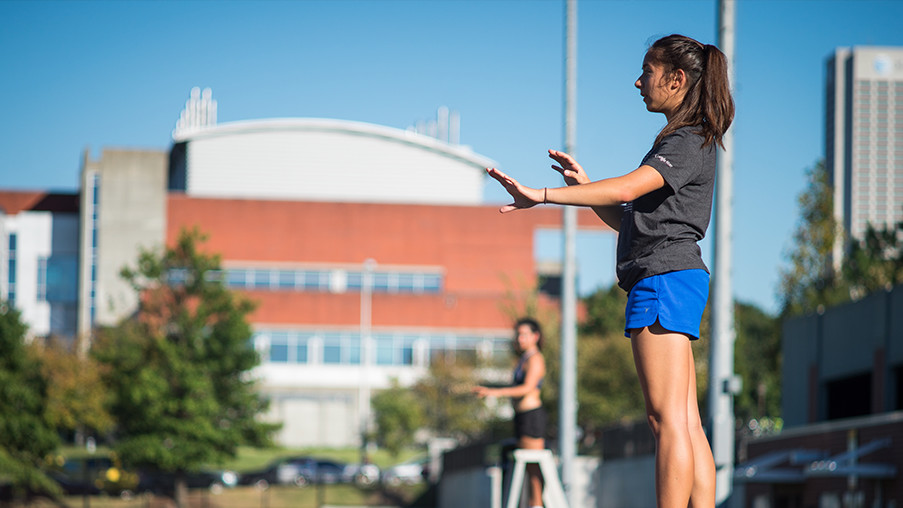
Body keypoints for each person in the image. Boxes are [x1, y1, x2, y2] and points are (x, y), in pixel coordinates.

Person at [486, 34, 734, 508]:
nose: (638, 81)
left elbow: (626, 189)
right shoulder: (688, 138)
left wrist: (541, 195)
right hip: (675, 275)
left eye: (648, 71)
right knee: (684, 421)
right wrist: (585, 187)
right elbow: (631, 220)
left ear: (677, 79)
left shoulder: (684, 140)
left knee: (666, 421)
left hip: (662, 279)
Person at [473, 317, 547, 508]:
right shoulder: (522, 359)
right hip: (521, 417)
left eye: (524, 334)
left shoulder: (536, 359)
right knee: (523, 466)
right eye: (518, 334)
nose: (520, 338)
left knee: (533, 468)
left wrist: (495, 392)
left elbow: (527, 388)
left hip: (532, 417)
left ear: (535, 336)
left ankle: (537, 504)